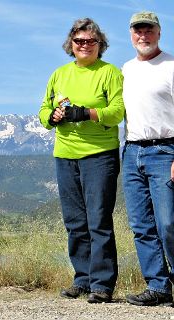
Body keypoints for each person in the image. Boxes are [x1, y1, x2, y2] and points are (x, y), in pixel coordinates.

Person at [39, 18, 124, 303]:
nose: (84, 45)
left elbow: (117, 112)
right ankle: (83, 279)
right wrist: (52, 117)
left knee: (98, 220)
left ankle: (102, 284)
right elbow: (44, 110)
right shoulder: (59, 74)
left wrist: (87, 113)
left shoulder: (109, 73)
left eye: (91, 41)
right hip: (65, 154)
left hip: (99, 155)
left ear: (100, 45)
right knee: (75, 222)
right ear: (70, 44)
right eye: (79, 41)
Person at [122, 11, 174, 307]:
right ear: (131, 35)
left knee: (168, 223)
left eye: (148, 30)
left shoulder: (171, 65)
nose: (143, 35)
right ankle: (158, 287)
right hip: (131, 152)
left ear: (159, 32)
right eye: (137, 30)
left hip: (165, 150)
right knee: (141, 224)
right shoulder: (126, 69)